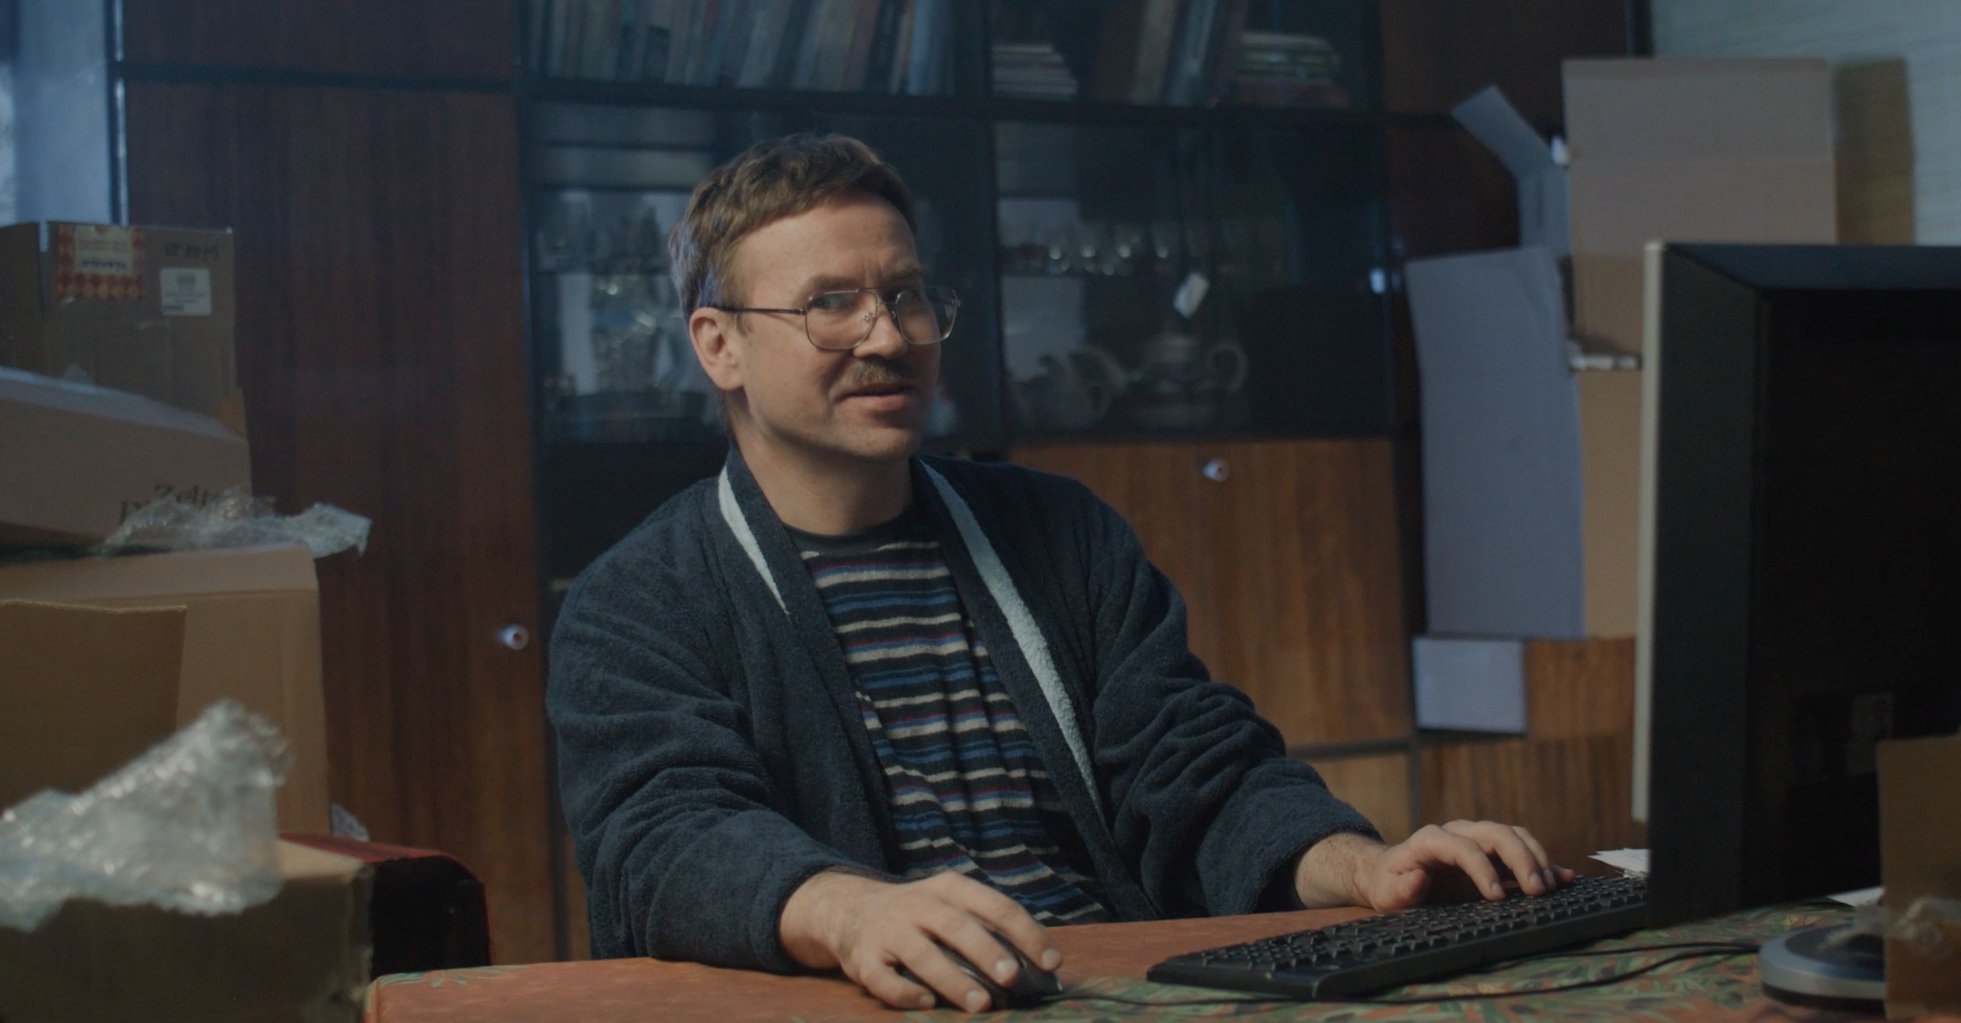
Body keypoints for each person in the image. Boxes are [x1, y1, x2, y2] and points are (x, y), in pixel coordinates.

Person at [547, 133, 1578, 1013]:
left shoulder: (1061, 530)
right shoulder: (637, 603)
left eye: (905, 294)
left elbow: (1192, 769)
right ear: (718, 346)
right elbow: (664, 840)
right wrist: (849, 911)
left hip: (1106, 984)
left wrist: (1367, 868)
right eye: (830, 304)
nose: (887, 335)